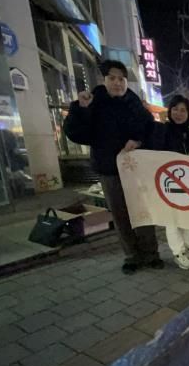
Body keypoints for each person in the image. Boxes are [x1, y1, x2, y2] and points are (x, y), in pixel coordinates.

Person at [63, 60, 161, 275]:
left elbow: (151, 130)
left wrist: (138, 140)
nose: (117, 83)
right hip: (109, 170)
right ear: (104, 80)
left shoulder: (135, 103)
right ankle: (132, 256)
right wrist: (81, 109)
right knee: (120, 215)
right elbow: (77, 134)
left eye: (121, 79)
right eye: (112, 78)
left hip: (137, 170)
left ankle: (151, 254)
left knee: (144, 213)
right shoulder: (93, 102)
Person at [150, 95, 189, 270]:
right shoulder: (162, 130)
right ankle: (178, 253)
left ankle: (188, 247)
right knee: (171, 219)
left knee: (187, 217)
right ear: (170, 111)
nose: (179, 113)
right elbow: (155, 153)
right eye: (175, 109)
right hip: (168, 184)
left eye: (183, 110)